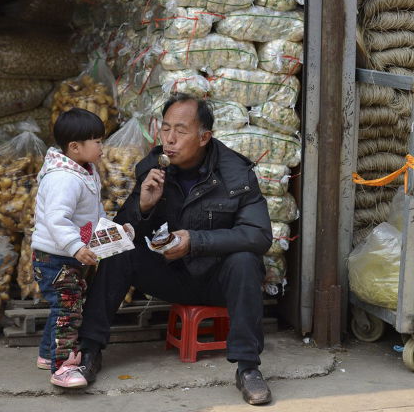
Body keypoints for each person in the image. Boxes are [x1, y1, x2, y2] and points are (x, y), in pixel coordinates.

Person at [78, 93, 274, 405]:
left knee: (245, 260)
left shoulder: (236, 175)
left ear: (204, 137)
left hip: (215, 281)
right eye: (165, 129)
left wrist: (195, 242)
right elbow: (120, 231)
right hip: (169, 276)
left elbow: (259, 234)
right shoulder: (153, 169)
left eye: (180, 131)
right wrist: (142, 207)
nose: (169, 139)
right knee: (121, 249)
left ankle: (248, 368)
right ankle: (89, 349)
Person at [31, 107, 106, 389]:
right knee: (68, 311)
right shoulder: (64, 179)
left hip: (68, 256)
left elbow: (92, 211)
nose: (102, 146)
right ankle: (62, 367)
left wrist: (108, 232)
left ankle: (48, 354)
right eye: (97, 141)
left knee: (63, 306)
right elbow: (56, 219)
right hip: (56, 259)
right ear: (75, 147)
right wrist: (76, 247)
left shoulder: (85, 171)